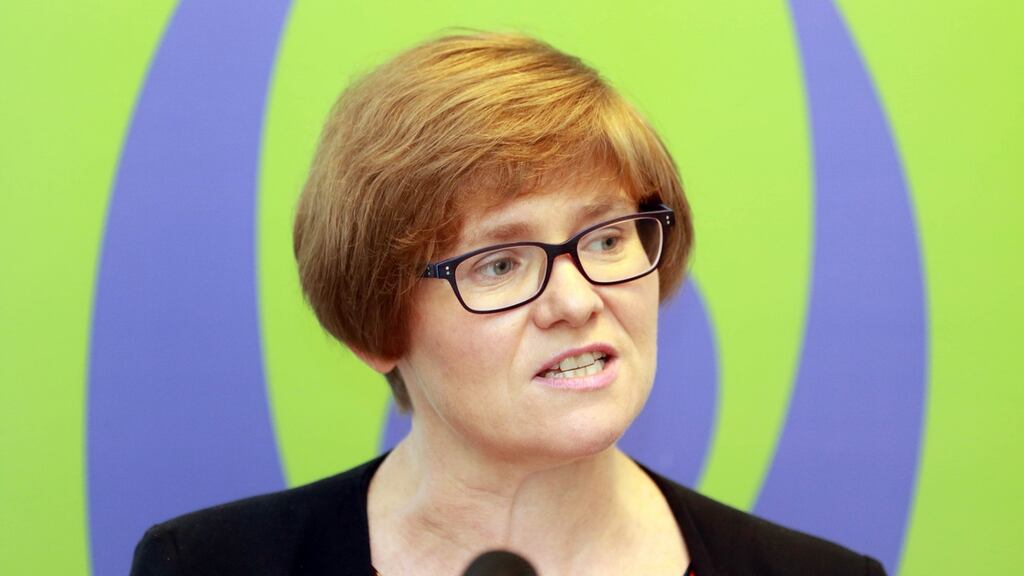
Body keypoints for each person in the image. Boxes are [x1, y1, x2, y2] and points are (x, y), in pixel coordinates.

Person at [131, 32, 886, 576]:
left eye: (607, 238)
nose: (576, 301)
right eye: (498, 263)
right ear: (378, 326)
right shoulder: (210, 564)